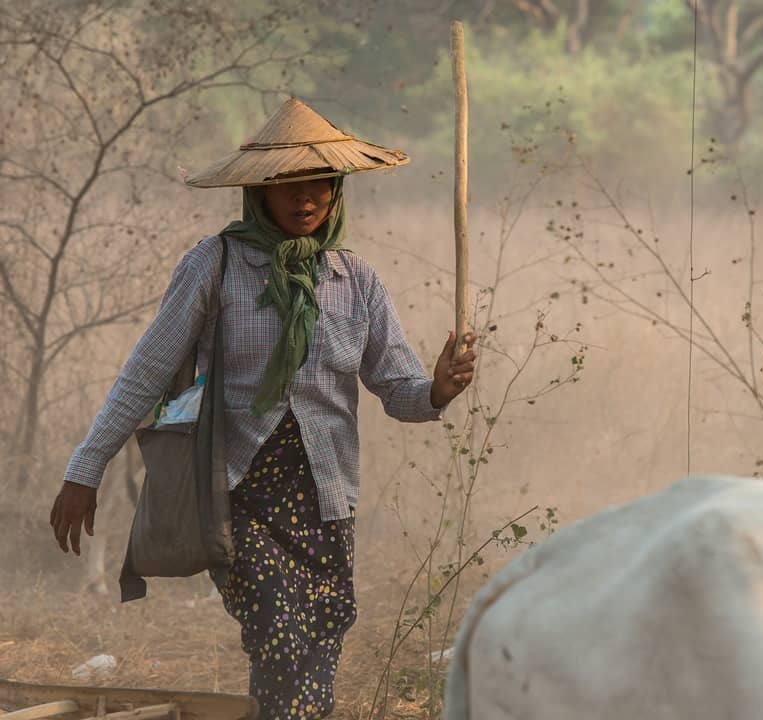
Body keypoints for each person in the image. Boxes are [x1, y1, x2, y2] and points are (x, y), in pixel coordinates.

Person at [48, 98, 475, 719]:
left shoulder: (355, 281)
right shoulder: (215, 264)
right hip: (237, 493)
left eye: (319, 185)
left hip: (326, 496)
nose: (306, 200)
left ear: (337, 189)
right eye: (288, 186)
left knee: (325, 624)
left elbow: (400, 390)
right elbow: (146, 372)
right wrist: (85, 470)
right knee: (280, 632)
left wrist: (438, 390)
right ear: (258, 192)